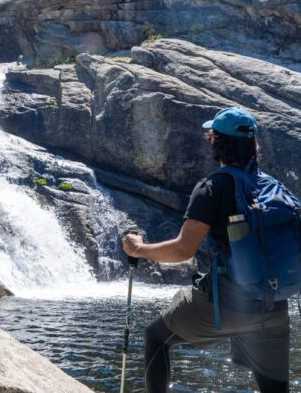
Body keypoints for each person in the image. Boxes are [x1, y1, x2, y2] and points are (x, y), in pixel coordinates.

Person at [123, 107, 292, 393]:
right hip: (273, 307)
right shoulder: (274, 188)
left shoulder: (213, 187)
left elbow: (183, 250)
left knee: (155, 336)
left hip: (224, 305)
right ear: (254, 145)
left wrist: (138, 249)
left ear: (216, 142)